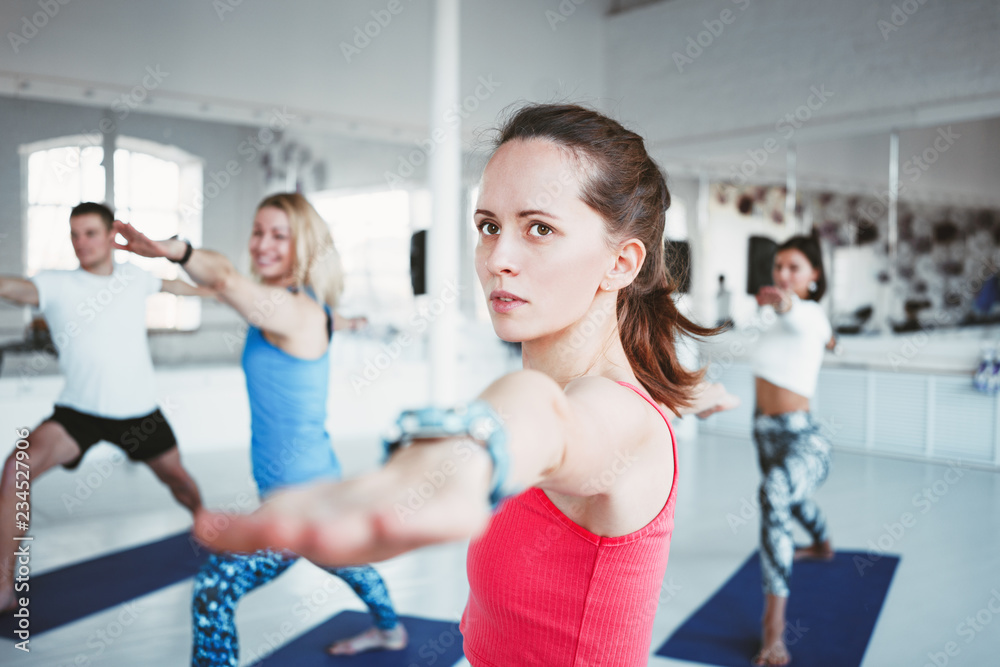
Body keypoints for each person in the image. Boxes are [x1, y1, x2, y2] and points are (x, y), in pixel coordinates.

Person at [184, 104, 738, 666]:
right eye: (489, 226)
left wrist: (468, 453)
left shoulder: (613, 416)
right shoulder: (616, 399)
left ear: (620, 263)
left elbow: (550, 421)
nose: (499, 257)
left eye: (540, 229)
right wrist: (700, 395)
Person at [112, 192, 407, 664]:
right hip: (315, 480)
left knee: (214, 588)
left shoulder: (294, 312)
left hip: (301, 498)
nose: (262, 244)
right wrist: (149, 279)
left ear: (304, 245)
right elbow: (212, 288)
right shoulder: (306, 307)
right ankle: (390, 632)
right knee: (340, 559)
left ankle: (389, 630)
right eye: (257, 231)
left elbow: (225, 277)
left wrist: (177, 250)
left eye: (278, 235)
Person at [0, 202, 206, 613]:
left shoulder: (135, 277)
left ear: (112, 235)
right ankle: (4, 579)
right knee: (16, 470)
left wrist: (229, 290)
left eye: (90, 233)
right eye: (75, 234)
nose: (81, 242)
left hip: (139, 413)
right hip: (79, 414)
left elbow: (181, 287)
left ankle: (206, 525)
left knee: (179, 482)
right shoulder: (55, 283)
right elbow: (14, 288)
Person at [751, 234, 837, 666]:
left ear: (814, 275)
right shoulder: (768, 316)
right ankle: (822, 545)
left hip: (805, 438)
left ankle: (773, 632)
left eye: (794, 268)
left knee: (774, 493)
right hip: (764, 432)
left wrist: (784, 305)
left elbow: (800, 319)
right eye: (778, 266)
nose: (783, 274)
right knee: (792, 501)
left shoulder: (813, 314)